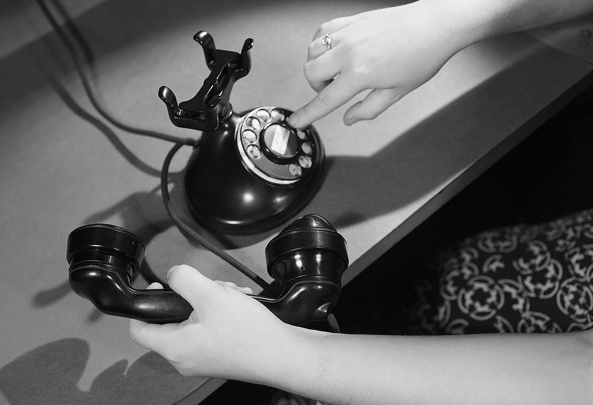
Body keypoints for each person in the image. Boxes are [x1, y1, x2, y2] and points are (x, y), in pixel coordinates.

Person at [130, 0, 593, 403]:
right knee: (441, 275)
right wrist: (444, 18)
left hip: (533, 357)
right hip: (558, 254)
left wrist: (287, 358)